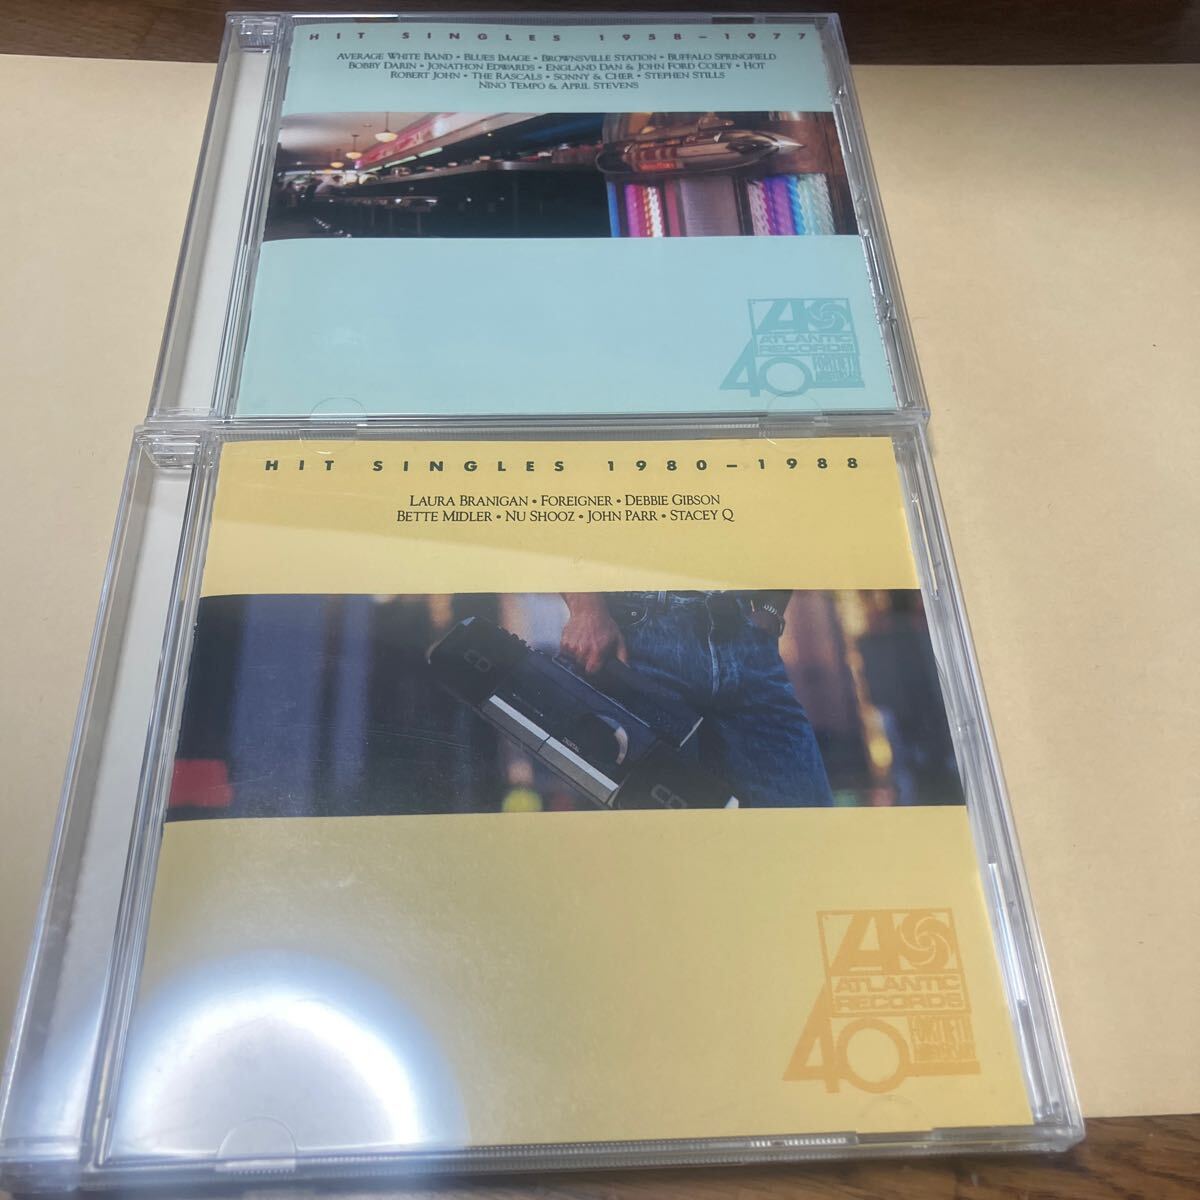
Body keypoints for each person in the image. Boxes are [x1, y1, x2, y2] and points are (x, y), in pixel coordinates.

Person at [560, 591, 833, 807]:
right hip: (640, 638)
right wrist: (586, 609)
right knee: (655, 837)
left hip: (744, 639)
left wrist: (772, 608)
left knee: (806, 828)